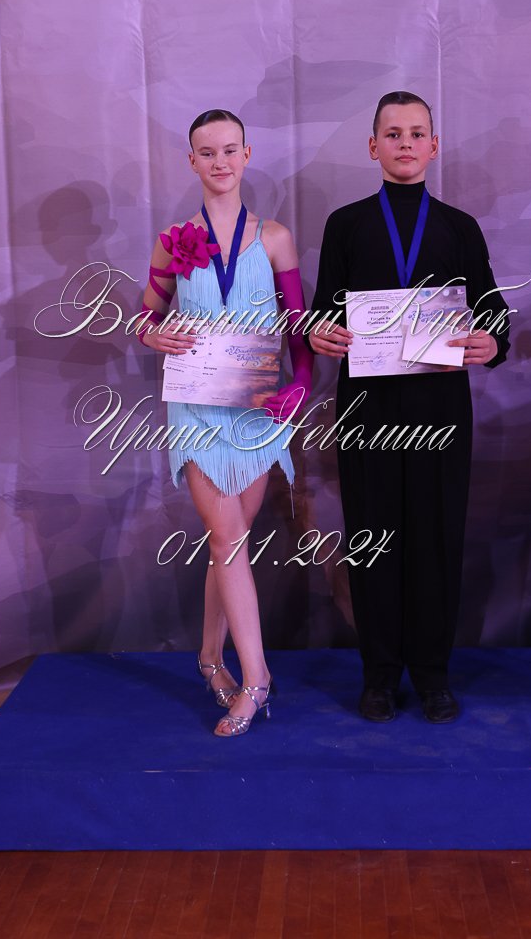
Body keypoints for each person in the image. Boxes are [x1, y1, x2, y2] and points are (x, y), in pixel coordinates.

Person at [308, 91, 509, 723]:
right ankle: (379, 674)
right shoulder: (345, 224)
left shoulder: (459, 227)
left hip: (439, 409)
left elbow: (493, 314)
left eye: (416, 133)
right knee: (373, 538)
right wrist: (319, 332)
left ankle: (432, 674)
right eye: (392, 134)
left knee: (435, 537)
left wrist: (492, 342)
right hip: (366, 409)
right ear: (373, 147)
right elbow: (322, 312)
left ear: (434, 146)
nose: (405, 143)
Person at [137, 109, 313, 736]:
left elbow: (299, 330)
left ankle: (210, 657)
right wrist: (152, 335)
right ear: (192, 161)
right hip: (197, 410)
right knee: (230, 539)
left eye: (230, 149)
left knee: (226, 542)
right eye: (207, 152)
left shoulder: (276, 237)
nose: (220, 161)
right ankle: (257, 681)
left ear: (247, 154)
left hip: (258, 410)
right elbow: (145, 315)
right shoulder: (173, 239)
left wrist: (301, 385)